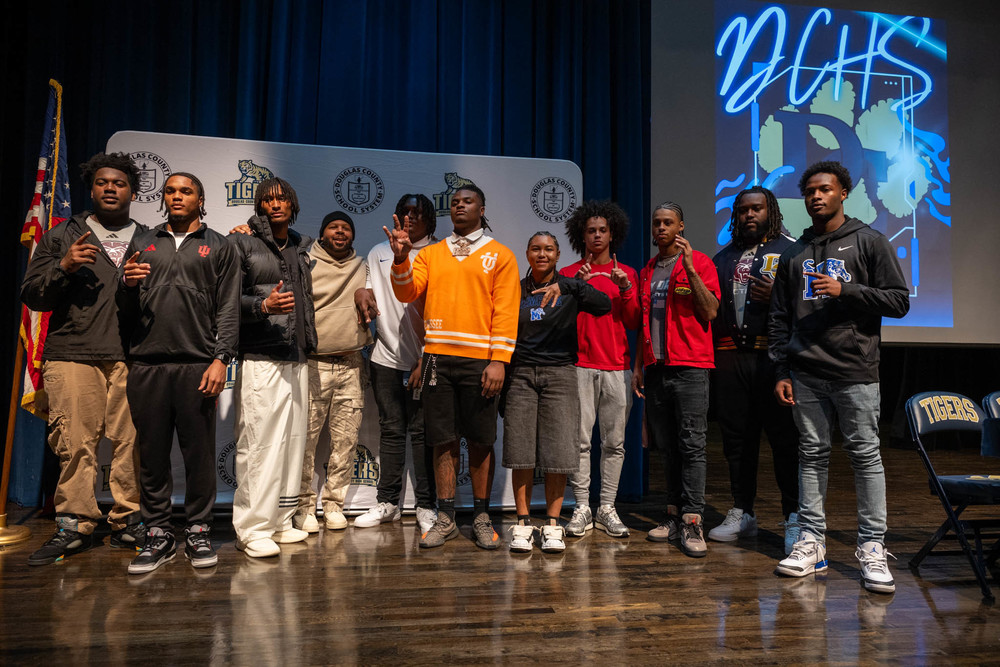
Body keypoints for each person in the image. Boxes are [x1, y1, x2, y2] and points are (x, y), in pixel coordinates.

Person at [769, 161, 909, 593]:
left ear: (843, 192)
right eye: (810, 190)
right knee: (811, 455)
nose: (816, 196)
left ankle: (872, 546)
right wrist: (782, 369)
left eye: (825, 189)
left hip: (855, 370)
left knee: (865, 456)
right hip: (806, 370)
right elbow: (779, 317)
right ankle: (812, 542)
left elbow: (899, 301)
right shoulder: (793, 253)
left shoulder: (869, 241)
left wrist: (844, 290)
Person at [21, 152, 147, 565]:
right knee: (75, 445)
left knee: (131, 444)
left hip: (132, 356)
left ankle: (128, 521)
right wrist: (64, 266)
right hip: (73, 354)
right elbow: (33, 295)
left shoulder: (150, 239)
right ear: (91, 189)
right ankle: (75, 524)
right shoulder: (63, 234)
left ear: (133, 192)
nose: (110, 188)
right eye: (102, 182)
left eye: (119, 183)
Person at [119, 172, 240, 574]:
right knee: (152, 455)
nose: (176, 196)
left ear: (200, 200)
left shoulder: (219, 245)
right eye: (170, 191)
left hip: (197, 363)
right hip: (147, 363)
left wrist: (222, 359)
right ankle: (158, 533)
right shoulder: (143, 241)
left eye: (186, 191)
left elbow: (229, 308)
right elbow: (123, 307)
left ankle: (199, 529)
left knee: (199, 454)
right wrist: (125, 286)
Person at [388, 184, 519, 550]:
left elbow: (506, 311)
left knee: (480, 441)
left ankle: (481, 516)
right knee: (442, 439)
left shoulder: (501, 255)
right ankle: (446, 516)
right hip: (435, 358)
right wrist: (401, 260)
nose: (460, 206)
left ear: (482, 209)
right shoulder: (431, 253)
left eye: (468, 201)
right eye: (455, 202)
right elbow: (406, 292)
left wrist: (499, 360)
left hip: (481, 361)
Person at [504, 232, 611, 553]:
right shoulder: (515, 289)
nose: (542, 254)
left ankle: (552, 524)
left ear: (557, 255)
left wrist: (571, 286)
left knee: (558, 451)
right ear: (527, 253)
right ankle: (523, 523)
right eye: (536, 249)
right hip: (521, 374)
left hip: (561, 374)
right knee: (521, 451)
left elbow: (604, 305)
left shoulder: (568, 288)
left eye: (548, 249)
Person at [228, 177, 317, 558]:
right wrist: (261, 307)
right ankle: (252, 529)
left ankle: (280, 520)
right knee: (260, 445)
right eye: (268, 200)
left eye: (282, 199)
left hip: (297, 355)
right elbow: (224, 300)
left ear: (293, 204)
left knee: (291, 444)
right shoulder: (241, 243)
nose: (276, 205)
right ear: (259, 206)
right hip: (261, 355)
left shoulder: (299, 245)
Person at [709, 187, 800, 553]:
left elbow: (811, 301)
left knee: (784, 442)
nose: (749, 215)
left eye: (757, 209)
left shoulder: (792, 251)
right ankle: (742, 511)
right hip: (731, 359)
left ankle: (793, 517)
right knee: (737, 441)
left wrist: (779, 295)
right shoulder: (722, 257)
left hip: (773, 360)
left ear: (770, 211)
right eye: (743, 210)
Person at [633, 202, 720, 558]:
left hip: (690, 367)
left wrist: (690, 270)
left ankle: (693, 520)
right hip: (656, 368)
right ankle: (672, 513)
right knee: (667, 447)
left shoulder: (700, 263)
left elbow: (710, 311)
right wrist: (639, 366)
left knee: (692, 445)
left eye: (668, 222)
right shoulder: (647, 270)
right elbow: (644, 323)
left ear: (681, 226)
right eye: (657, 223)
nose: (661, 228)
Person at [353, 194, 438, 534]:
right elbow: (367, 291)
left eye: (418, 212)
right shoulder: (379, 252)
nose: (411, 217)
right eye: (405, 211)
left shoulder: (439, 253)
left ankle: (427, 505)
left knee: (422, 432)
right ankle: (388, 502)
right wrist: (361, 292)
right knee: (391, 430)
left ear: (430, 218)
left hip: (426, 357)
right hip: (385, 356)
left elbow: (444, 309)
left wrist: (426, 355)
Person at [559, 201, 639, 538]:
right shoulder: (568, 274)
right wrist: (575, 290)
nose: (596, 235)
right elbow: (558, 324)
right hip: (579, 366)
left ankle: (607, 506)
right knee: (579, 443)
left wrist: (625, 287)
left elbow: (634, 322)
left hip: (617, 368)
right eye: (590, 230)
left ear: (612, 234)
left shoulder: (627, 274)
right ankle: (582, 507)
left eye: (602, 230)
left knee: (614, 443)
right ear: (582, 235)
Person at [296, 211, 372, 532]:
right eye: (333, 227)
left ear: (352, 235)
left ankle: (333, 505)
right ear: (322, 232)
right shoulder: (305, 262)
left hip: (352, 363)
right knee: (305, 441)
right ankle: (303, 506)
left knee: (345, 441)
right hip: (313, 363)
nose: (340, 232)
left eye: (345, 228)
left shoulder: (364, 266)